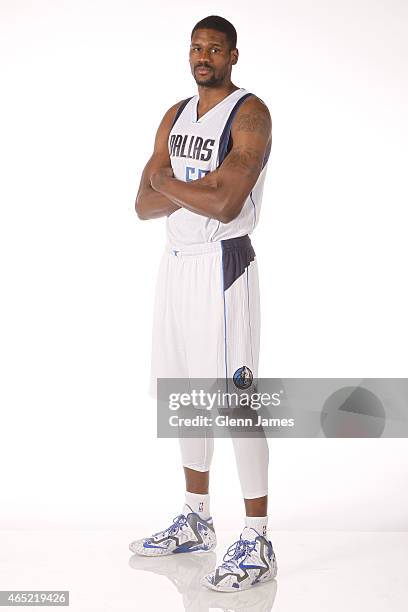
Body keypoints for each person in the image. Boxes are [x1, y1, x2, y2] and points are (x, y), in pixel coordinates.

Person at [129, 15, 277, 592]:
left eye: (215, 48)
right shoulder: (175, 114)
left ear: (233, 56)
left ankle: (259, 536)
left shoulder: (250, 113)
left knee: (236, 404)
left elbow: (224, 202)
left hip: (223, 267)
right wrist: (186, 187)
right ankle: (196, 518)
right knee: (184, 395)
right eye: (196, 47)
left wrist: (169, 183)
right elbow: (141, 205)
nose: (203, 56)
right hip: (176, 265)